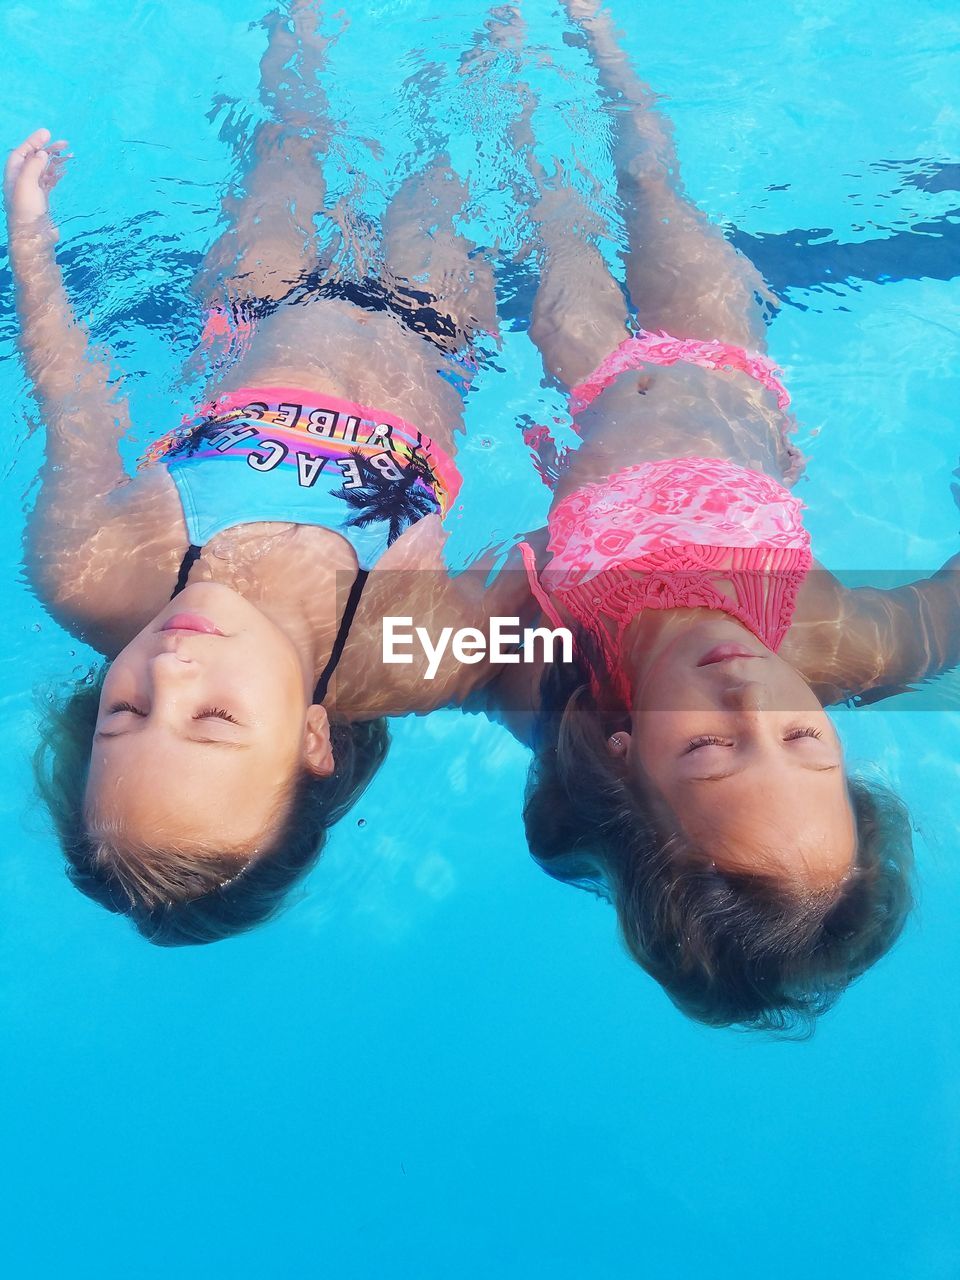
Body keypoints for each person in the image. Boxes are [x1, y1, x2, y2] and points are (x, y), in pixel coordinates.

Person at [9, 2, 531, 945]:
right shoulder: (406, 657)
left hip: (256, 307)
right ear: (312, 741)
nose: (171, 669)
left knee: (291, 138)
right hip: (436, 333)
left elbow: (72, 401)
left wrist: (30, 245)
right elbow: (566, 631)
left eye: (126, 712)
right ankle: (503, 35)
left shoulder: (89, 571)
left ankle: (301, 17)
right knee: (448, 160)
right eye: (211, 719)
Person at [507, 0, 952, 1032]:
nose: (754, 700)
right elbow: (949, 613)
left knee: (555, 218)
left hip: (588, 385)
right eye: (803, 737)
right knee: (654, 188)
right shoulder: (838, 638)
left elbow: (392, 646)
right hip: (723, 365)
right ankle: (602, 46)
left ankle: (514, 64)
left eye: (709, 750)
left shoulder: (549, 660)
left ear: (625, 759)